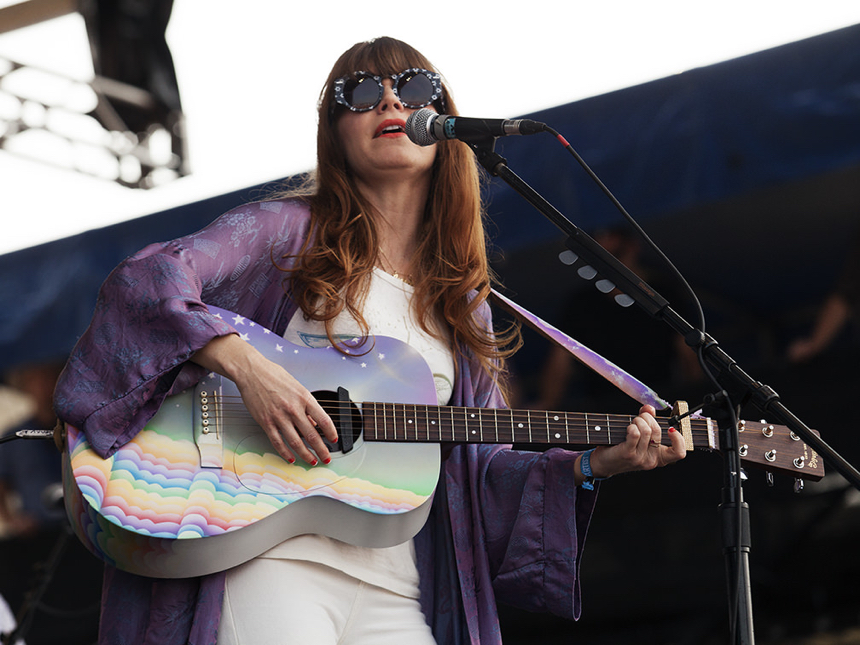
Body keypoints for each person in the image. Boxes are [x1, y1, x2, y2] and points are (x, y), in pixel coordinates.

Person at [53, 37, 686, 645]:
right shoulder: (287, 232)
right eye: (359, 92)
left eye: (413, 87)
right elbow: (147, 280)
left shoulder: (464, 304)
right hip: (270, 557)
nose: (390, 102)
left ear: (444, 120)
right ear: (334, 131)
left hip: (396, 585)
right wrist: (243, 363)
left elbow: (484, 465)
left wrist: (596, 461)